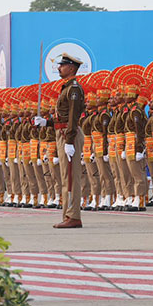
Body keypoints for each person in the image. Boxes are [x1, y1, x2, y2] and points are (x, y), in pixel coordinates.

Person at [35, 53, 85, 229]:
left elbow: (72, 117)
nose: (59, 68)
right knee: (65, 177)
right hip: (62, 132)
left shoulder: (74, 89)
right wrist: (46, 122)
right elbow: (62, 116)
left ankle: (73, 216)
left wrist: (70, 140)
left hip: (67, 135)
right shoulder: (66, 88)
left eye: (62, 65)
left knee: (71, 178)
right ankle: (68, 215)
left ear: (71, 68)